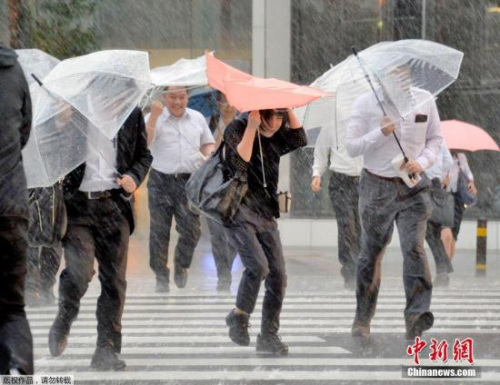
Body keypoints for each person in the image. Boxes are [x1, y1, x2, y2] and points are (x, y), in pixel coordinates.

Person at [48, 105, 152, 371]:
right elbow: (50, 153)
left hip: (114, 207)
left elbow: (143, 156)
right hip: (78, 208)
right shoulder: (75, 111)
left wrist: (134, 177)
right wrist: (59, 126)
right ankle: (65, 315)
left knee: (115, 283)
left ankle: (106, 349)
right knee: (78, 273)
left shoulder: (131, 113)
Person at [346, 64, 442, 341]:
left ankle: (416, 315)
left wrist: (421, 161)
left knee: (414, 247)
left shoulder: (425, 100)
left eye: (405, 74)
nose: (401, 80)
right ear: (381, 78)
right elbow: (352, 146)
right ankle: (362, 317)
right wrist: (381, 132)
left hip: (413, 186)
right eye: (394, 74)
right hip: (377, 187)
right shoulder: (365, 104)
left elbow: (436, 138)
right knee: (371, 252)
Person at [223, 108, 307, 356]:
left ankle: (268, 335)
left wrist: (289, 108)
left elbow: (300, 139)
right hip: (239, 209)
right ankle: (239, 315)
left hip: (266, 212)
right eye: (271, 117)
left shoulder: (278, 133)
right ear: (259, 114)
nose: (275, 124)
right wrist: (251, 128)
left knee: (278, 276)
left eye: (280, 118)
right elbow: (239, 162)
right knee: (258, 266)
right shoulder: (236, 128)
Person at [146, 86, 215, 292]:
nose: (177, 101)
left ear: (187, 97)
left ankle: (181, 264)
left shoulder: (197, 118)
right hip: (160, 180)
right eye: (173, 97)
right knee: (159, 232)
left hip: (188, 182)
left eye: (182, 97)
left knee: (192, 230)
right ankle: (160, 274)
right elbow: (144, 145)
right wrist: (153, 118)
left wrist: (209, 154)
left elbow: (207, 143)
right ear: (164, 97)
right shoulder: (153, 117)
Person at [0, 44, 34, 375]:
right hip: (10, 206)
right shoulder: (13, 70)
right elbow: (23, 131)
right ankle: (21, 377)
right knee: (11, 309)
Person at [311, 126, 363, 290]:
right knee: (347, 226)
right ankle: (350, 273)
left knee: (362, 228)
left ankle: (361, 270)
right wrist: (317, 174)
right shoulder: (332, 122)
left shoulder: (368, 120)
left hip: (365, 182)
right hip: (341, 182)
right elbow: (321, 152)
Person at [207, 92, 239, 291]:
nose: (228, 105)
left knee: (235, 233)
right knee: (217, 234)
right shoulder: (209, 125)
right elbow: (209, 155)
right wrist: (221, 132)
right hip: (213, 188)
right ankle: (223, 275)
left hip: (237, 187)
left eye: (232, 100)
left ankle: (227, 266)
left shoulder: (245, 126)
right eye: (224, 101)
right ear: (218, 103)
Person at [425, 143, 454, 287]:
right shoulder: (440, 141)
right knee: (433, 233)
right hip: (435, 184)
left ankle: (442, 270)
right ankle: (443, 271)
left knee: (428, 232)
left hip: (422, 184)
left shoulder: (418, 139)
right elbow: (448, 162)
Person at [441, 152, 477, 260]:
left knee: (453, 237)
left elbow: (468, 172)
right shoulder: (438, 154)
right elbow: (431, 174)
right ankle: (443, 267)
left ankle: (446, 267)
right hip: (443, 195)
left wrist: (471, 183)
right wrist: (440, 181)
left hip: (457, 198)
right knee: (446, 233)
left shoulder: (460, 157)